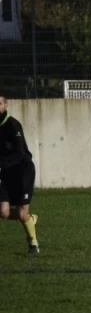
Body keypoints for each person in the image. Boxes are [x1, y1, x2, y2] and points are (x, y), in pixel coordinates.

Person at [0, 95, 39, 254]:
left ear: (6, 105)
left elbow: (20, 153)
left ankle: (33, 243)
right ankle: (30, 219)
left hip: (23, 171)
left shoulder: (12, 125)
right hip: (6, 172)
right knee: (3, 212)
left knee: (22, 214)